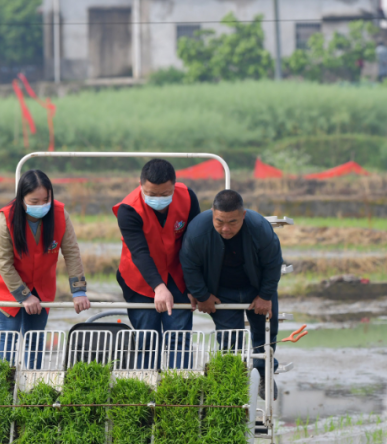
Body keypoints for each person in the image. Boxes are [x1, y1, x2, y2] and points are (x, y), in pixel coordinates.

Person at [181, 189, 283, 399]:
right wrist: (202, 295)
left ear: (243, 215)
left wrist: (265, 295)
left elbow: (273, 263)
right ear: (212, 214)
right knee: (229, 338)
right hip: (221, 291)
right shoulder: (198, 231)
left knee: (265, 333)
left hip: (256, 287)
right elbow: (189, 265)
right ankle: (231, 382)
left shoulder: (258, 227)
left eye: (233, 222)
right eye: (219, 222)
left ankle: (264, 375)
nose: (226, 228)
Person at [0, 169, 90, 365]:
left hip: (41, 285)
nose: (42, 205)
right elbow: (3, 263)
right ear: (21, 199)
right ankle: (1, 389)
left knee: (35, 339)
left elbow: (72, 253)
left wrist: (79, 291)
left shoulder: (60, 215)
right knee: (9, 334)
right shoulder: (5, 218)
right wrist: (24, 296)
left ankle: (33, 387)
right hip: (6, 285)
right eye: (34, 201)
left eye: (46, 200)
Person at [113, 159, 201, 364]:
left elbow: (195, 242)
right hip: (140, 279)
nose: (158, 199)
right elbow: (139, 252)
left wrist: (194, 285)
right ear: (141, 184)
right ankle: (147, 390)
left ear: (174, 185)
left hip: (178, 275)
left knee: (179, 339)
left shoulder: (187, 197)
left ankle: (177, 391)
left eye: (164, 194)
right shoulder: (128, 210)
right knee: (147, 340)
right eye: (151, 194)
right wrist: (158, 287)